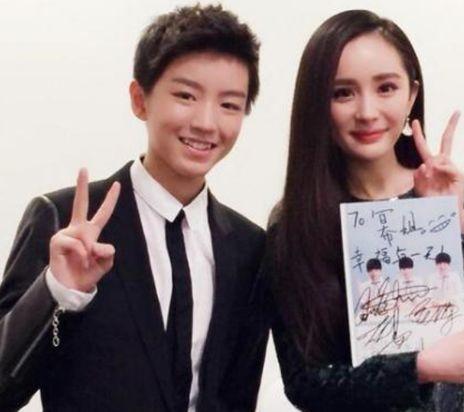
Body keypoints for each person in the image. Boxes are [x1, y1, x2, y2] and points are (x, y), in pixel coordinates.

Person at [0, 5, 268, 412]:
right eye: (186, 96)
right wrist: (58, 292)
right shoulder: (64, 220)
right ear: (140, 99)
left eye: (229, 104)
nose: (206, 122)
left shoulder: (249, 248)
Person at [264, 9, 464, 411]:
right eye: (343, 93)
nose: (367, 111)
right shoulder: (296, 223)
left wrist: (454, 225)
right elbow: (304, 384)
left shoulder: (463, 196)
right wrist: (417, 368)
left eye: (386, 87)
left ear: (411, 95)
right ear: (318, 104)